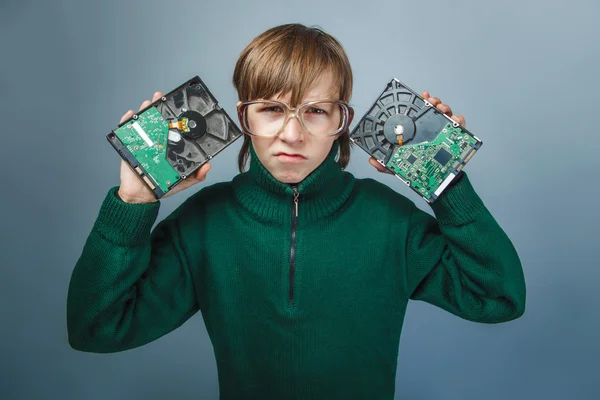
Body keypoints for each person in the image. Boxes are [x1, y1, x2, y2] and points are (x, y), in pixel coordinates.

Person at [67, 23, 526, 399]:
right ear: (243, 117)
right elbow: (96, 328)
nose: (292, 133)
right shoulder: (203, 223)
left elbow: (498, 297)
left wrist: (443, 179)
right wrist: (133, 202)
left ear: (341, 123)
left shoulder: (391, 220)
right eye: (271, 108)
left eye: (317, 111)